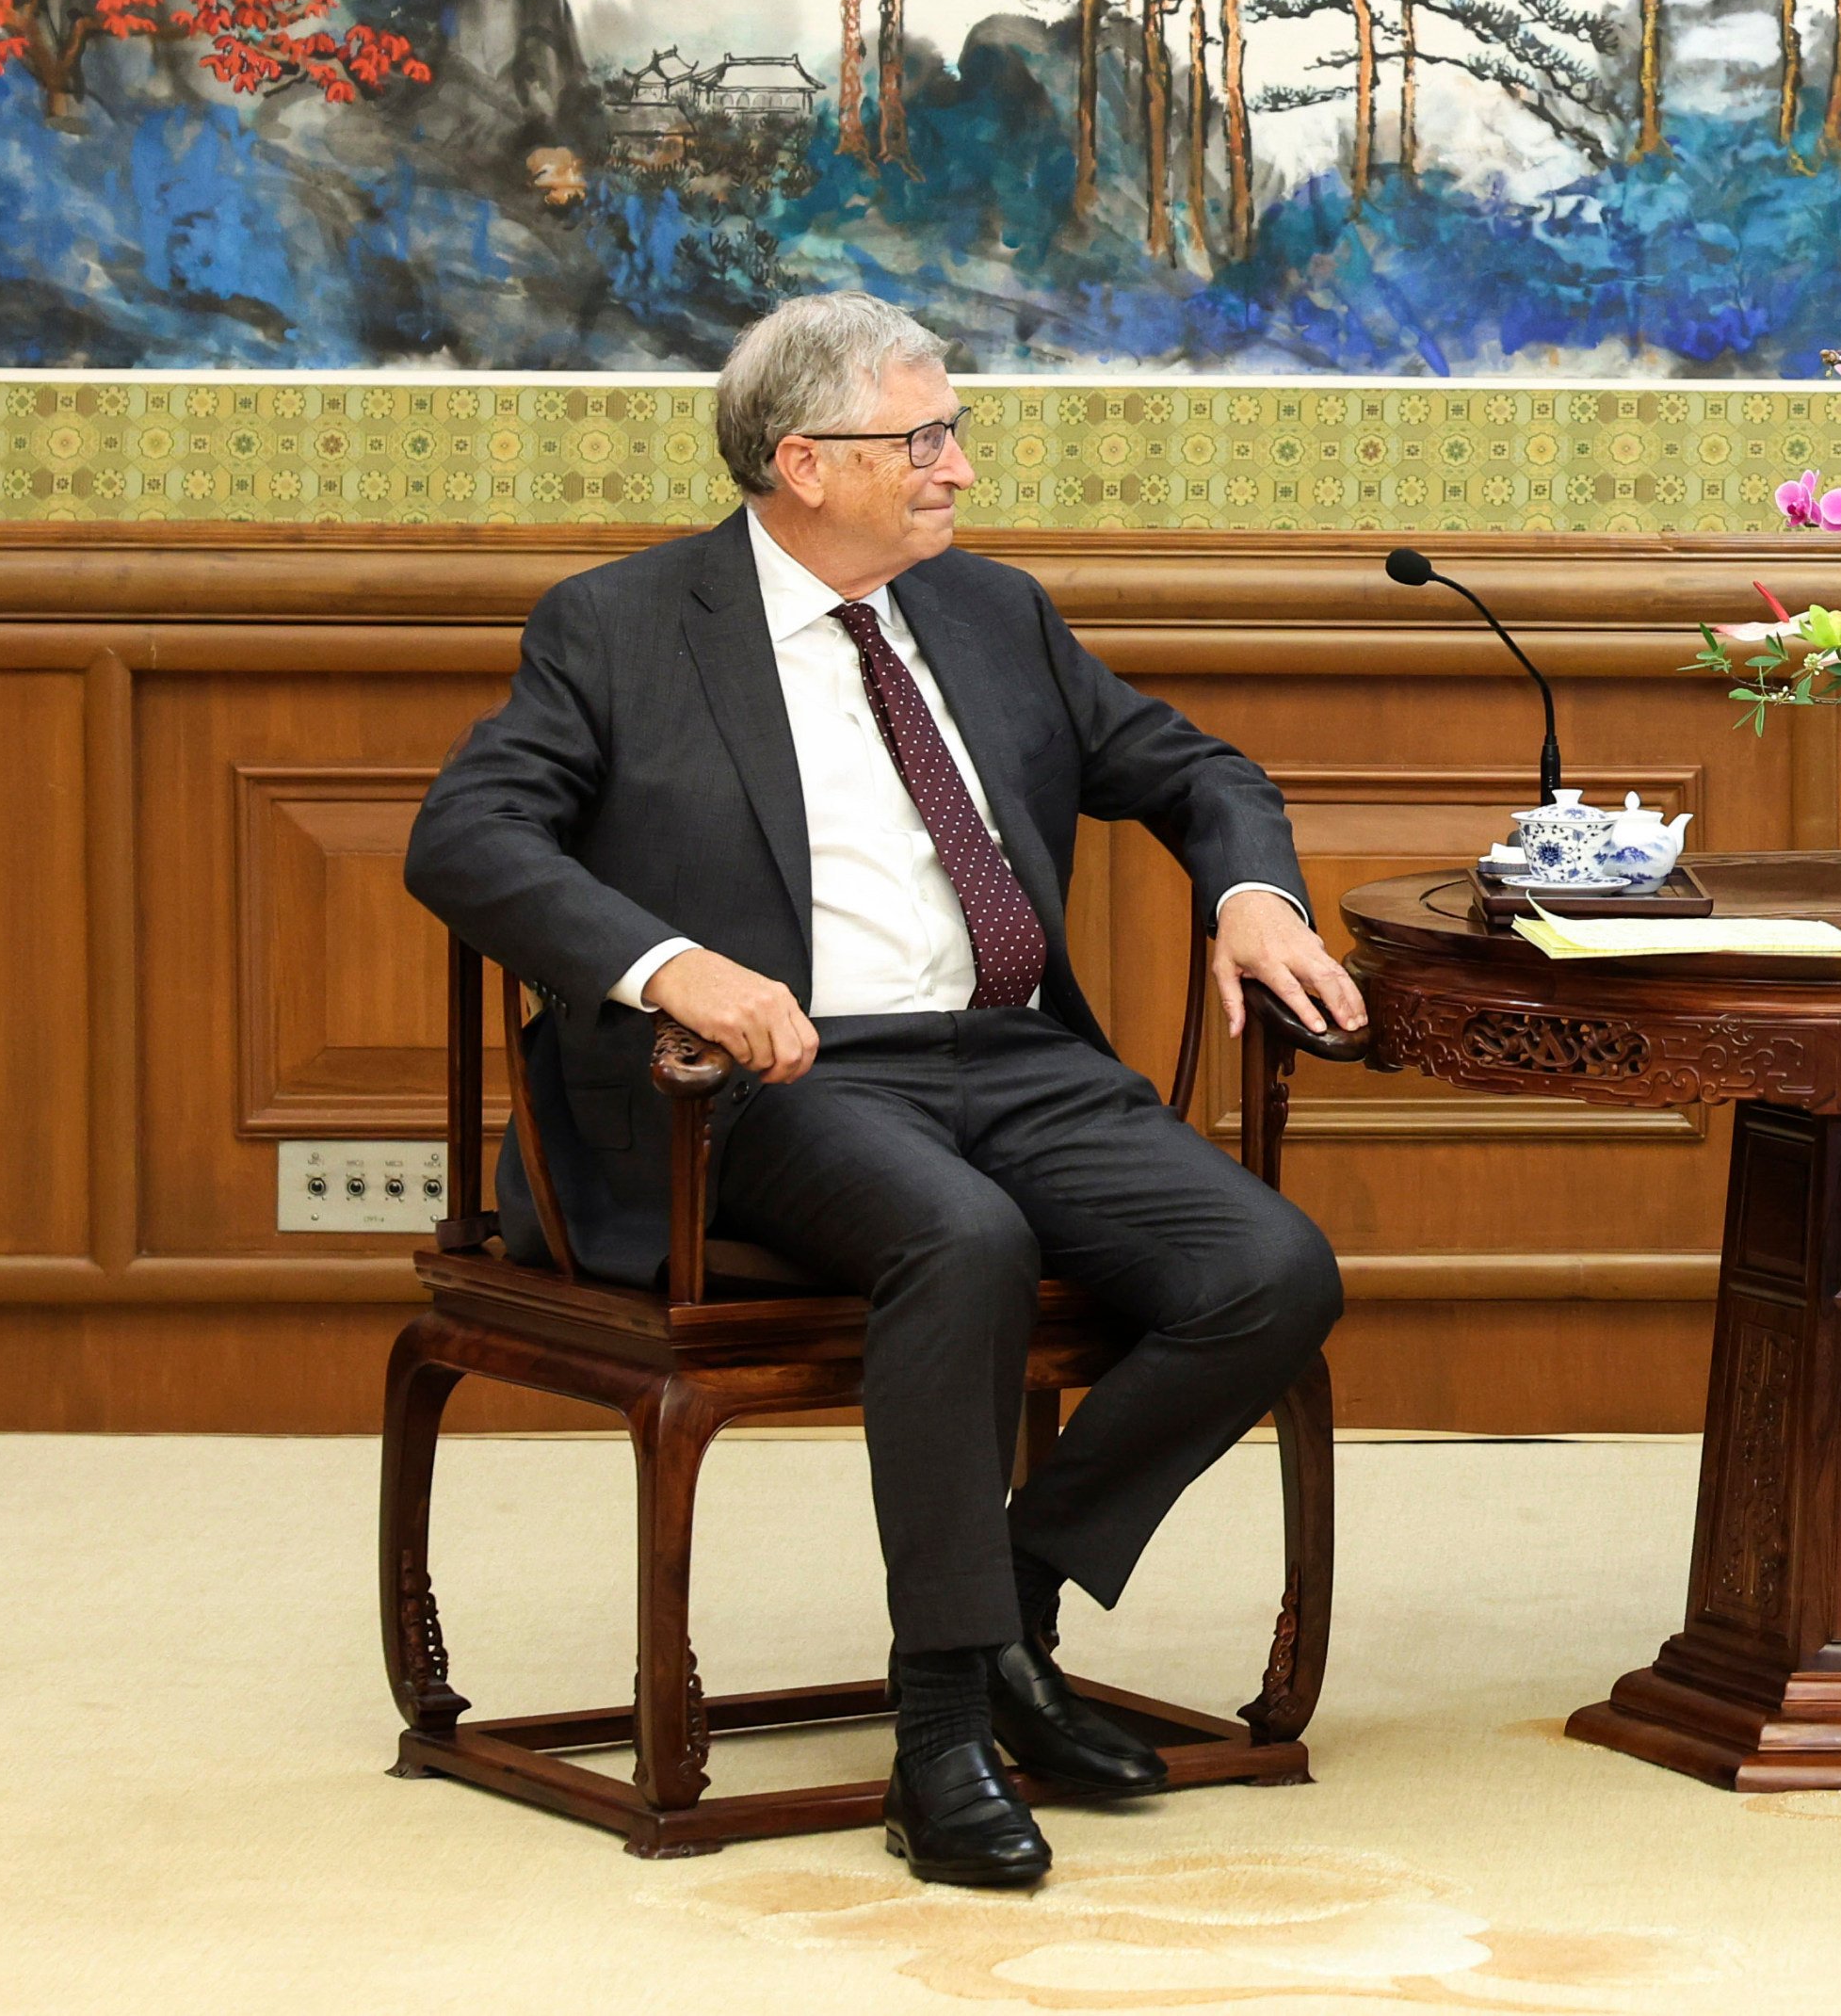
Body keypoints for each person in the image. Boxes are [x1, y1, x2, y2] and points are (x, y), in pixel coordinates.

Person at [403, 292, 1367, 1892]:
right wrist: (669, 965)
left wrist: (1249, 895)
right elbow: (469, 838)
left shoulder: (992, 614)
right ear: (802, 461)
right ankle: (943, 1734)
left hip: (1016, 1059)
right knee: (960, 1237)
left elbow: (1199, 769)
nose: (959, 467)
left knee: (1269, 1269)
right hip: (768, 1084)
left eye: (954, 430)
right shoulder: (623, 626)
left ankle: (1001, 1605)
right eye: (922, 438)